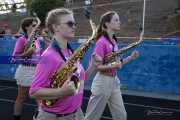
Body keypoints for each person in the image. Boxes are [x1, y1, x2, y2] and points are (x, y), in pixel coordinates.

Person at [29, 8, 99, 120]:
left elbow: (78, 83)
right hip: (55, 116)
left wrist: (92, 67)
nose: (74, 26)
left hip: (76, 113)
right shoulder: (49, 56)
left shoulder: (71, 52)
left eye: (74, 24)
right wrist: (61, 91)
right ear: (55, 27)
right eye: (70, 23)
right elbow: (33, 92)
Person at [84, 11, 139, 120]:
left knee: (121, 116)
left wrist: (130, 58)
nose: (119, 22)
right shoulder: (101, 42)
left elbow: (118, 63)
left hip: (114, 81)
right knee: (92, 117)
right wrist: (113, 66)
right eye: (116, 20)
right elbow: (97, 67)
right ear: (107, 24)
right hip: (102, 82)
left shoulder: (114, 41)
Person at [12, 17, 41, 120]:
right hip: (25, 71)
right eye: (33, 25)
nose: (36, 27)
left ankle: (39, 116)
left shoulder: (36, 40)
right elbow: (14, 58)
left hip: (36, 71)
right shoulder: (22, 39)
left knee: (39, 97)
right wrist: (27, 54)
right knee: (22, 97)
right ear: (26, 27)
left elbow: (38, 56)